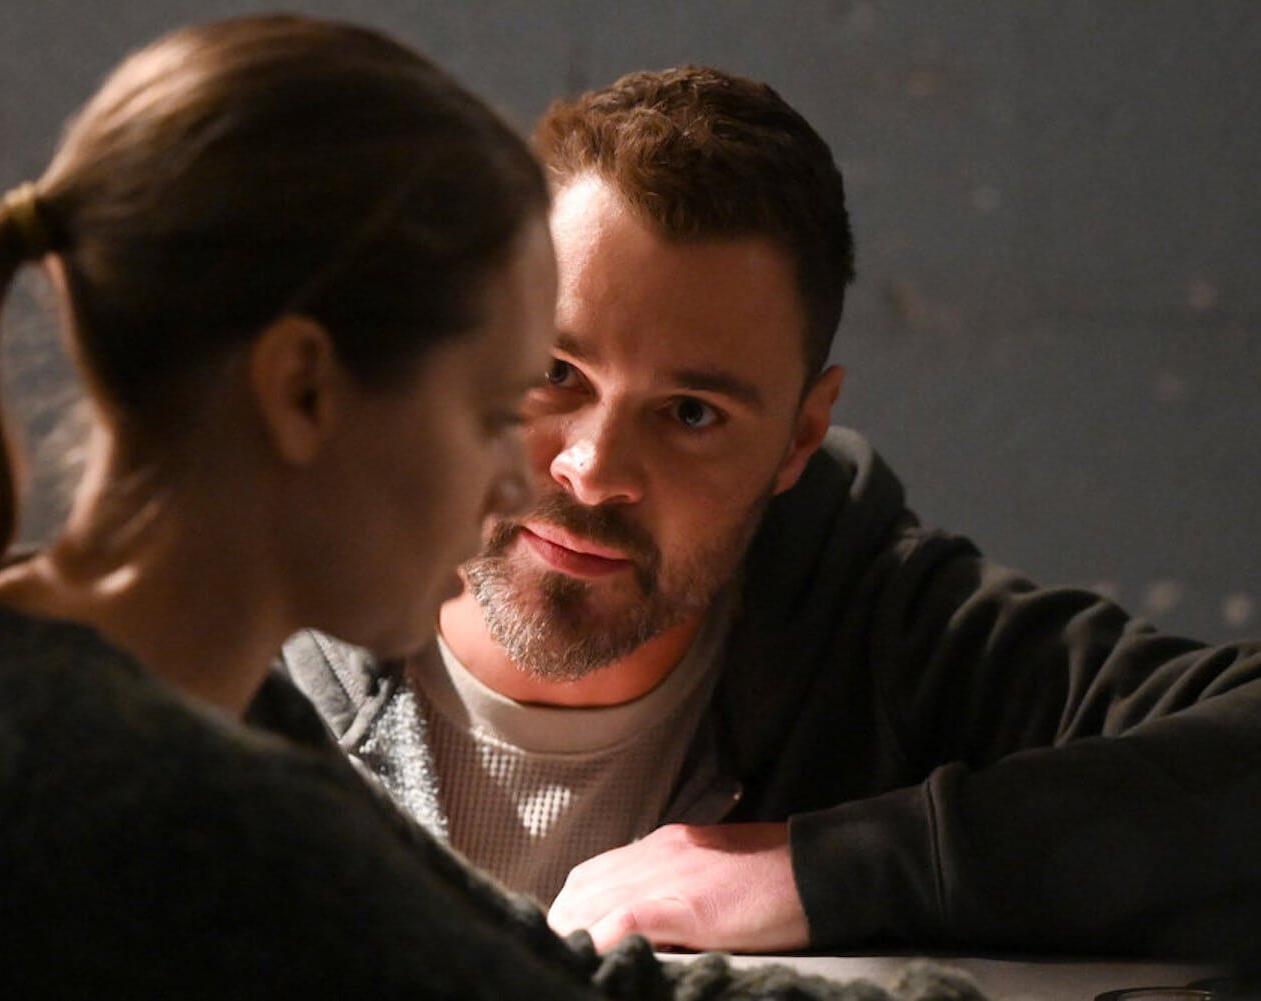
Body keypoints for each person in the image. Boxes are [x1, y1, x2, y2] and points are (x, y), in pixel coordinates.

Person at [0, 20, 943, 1001]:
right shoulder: (143, 800)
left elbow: (543, 975)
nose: (528, 481)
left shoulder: (103, 682)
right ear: (304, 390)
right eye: (496, 407)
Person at [275, 65, 1261, 963]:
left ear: (800, 435)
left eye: (690, 413)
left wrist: (822, 870)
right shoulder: (256, 609)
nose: (593, 469)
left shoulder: (881, 634)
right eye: (554, 371)